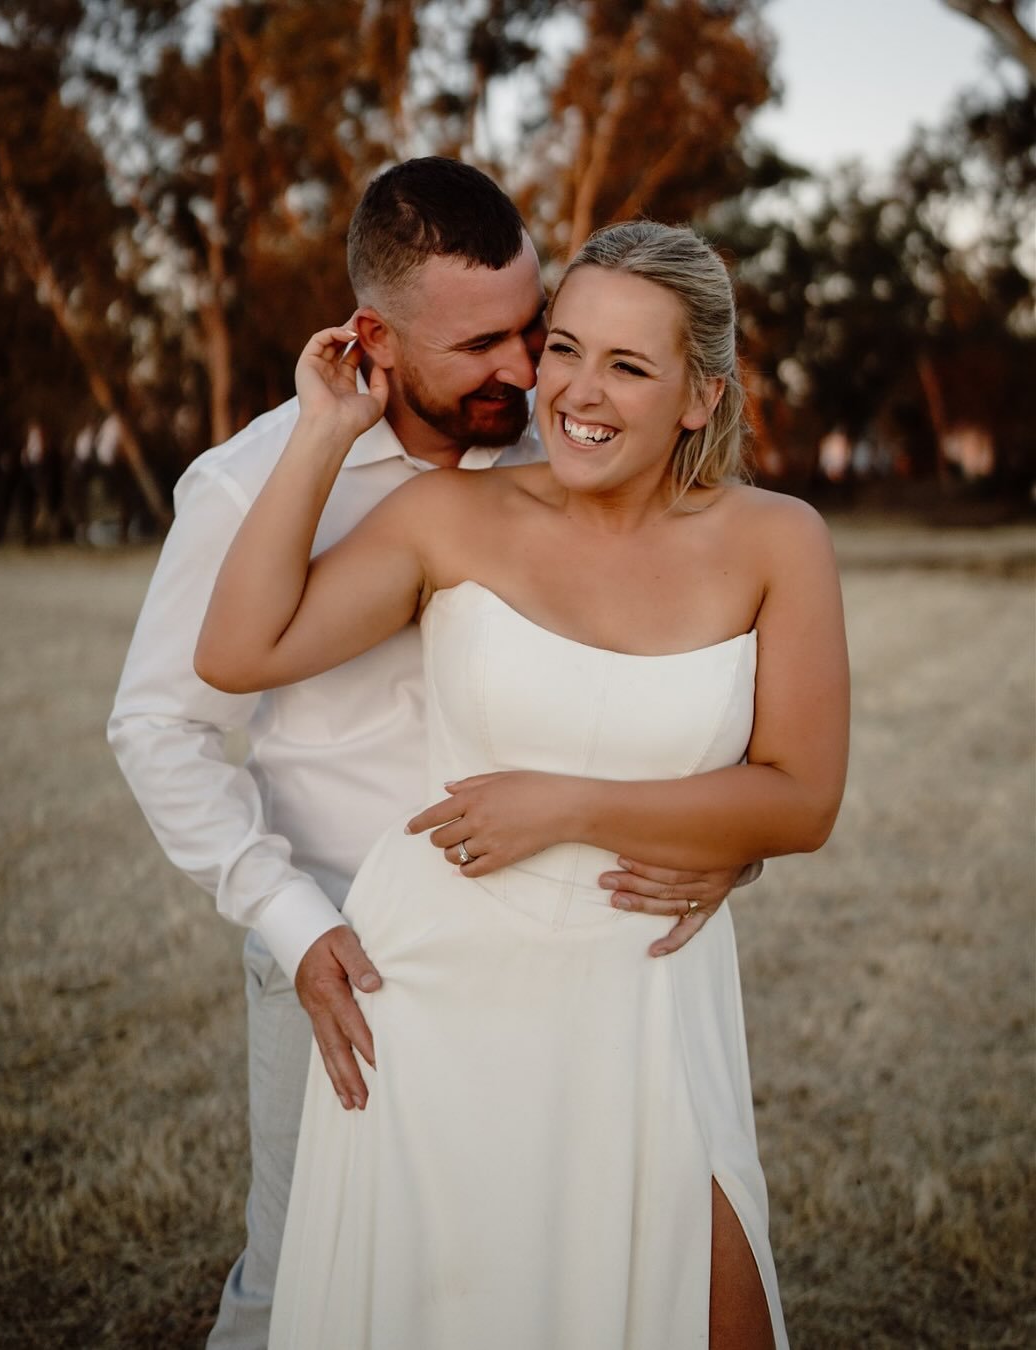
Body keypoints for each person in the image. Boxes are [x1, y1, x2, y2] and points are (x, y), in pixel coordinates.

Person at [108, 161, 750, 1350]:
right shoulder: (245, 485)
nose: (526, 370)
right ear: (375, 339)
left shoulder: (561, 450)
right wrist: (290, 922)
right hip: (351, 939)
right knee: (308, 1280)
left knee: (521, 1279)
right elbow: (162, 725)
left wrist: (724, 843)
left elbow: (674, 677)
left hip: (555, 947)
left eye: (536, 328)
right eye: (483, 346)